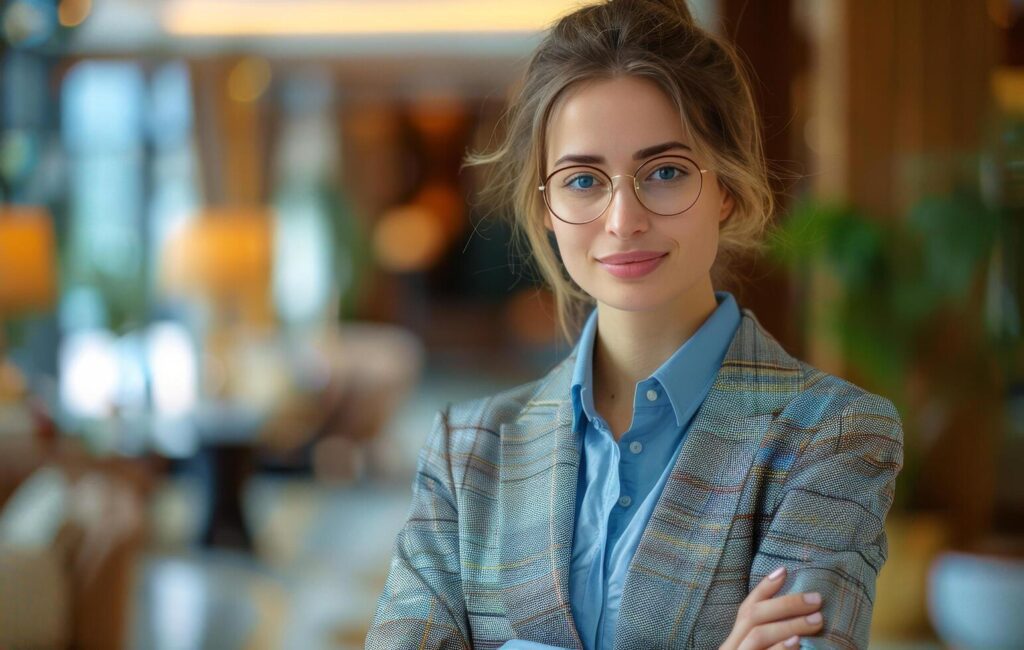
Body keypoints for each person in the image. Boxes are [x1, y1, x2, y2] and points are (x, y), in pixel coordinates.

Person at [365, 0, 903, 648]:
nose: (623, 219)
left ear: (726, 185)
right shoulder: (465, 453)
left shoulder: (834, 439)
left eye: (666, 172)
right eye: (584, 180)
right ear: (545, 206)